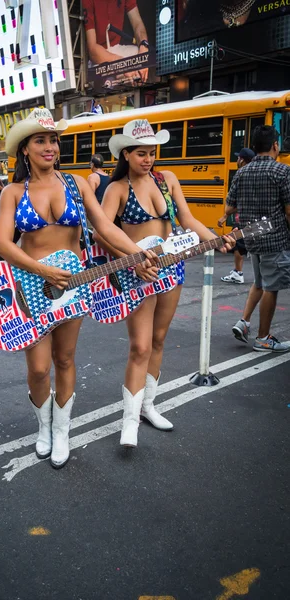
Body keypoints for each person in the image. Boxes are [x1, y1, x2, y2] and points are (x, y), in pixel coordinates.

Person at [0, 107, 156, 468]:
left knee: (65, 359)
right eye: (41, 140)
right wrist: (42, 270)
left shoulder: (76, 184)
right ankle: (44, 429)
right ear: (25, 148)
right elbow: (3, 244)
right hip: (31, 288)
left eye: (53, 140)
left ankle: (63, 432)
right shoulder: (12, 192)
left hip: (74, 286)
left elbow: (105, 227)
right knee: (38, 369)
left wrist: (138, 254)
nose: (50, 146)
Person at [92, 119, 234, 448]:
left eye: (152, 152)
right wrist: (134, 261)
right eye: (141, 153)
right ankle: (129, 421)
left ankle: (148, 407)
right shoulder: (117, 189)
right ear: (125, 154)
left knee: (158, 341)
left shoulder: (166, 180)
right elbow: (101, 232)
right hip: (138, 273)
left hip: (171, 268)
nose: (148, 159)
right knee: (139, 346)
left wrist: (215, 238)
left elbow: (187, 218)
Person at [223, 125, 290, 353]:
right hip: (276, 239)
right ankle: (263, 338)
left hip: (252, 238)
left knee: (260, 282)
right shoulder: (282, 172)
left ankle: (244, 321)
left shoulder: (242, 172)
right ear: (274, 145)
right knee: (271, 288)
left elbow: (229, 206)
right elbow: (289, 211)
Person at [83, 0, 150, 85]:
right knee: (106, 78)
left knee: (143, 56)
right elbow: (93, 50)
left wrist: (143, 51)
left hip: (117, 49)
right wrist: (123, 64)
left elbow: (137, 23)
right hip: (100, 56)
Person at [218, 148, 255, 284]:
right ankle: (238, 272)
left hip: (243, 219)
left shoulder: (241, 175)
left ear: (242, 160)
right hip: (253, 218)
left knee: (238, 245)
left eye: (238, 158)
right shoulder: (255, 174)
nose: (236, 160)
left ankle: (238, 273)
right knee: (240, 246)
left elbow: (238, 202)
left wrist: (225, 215)